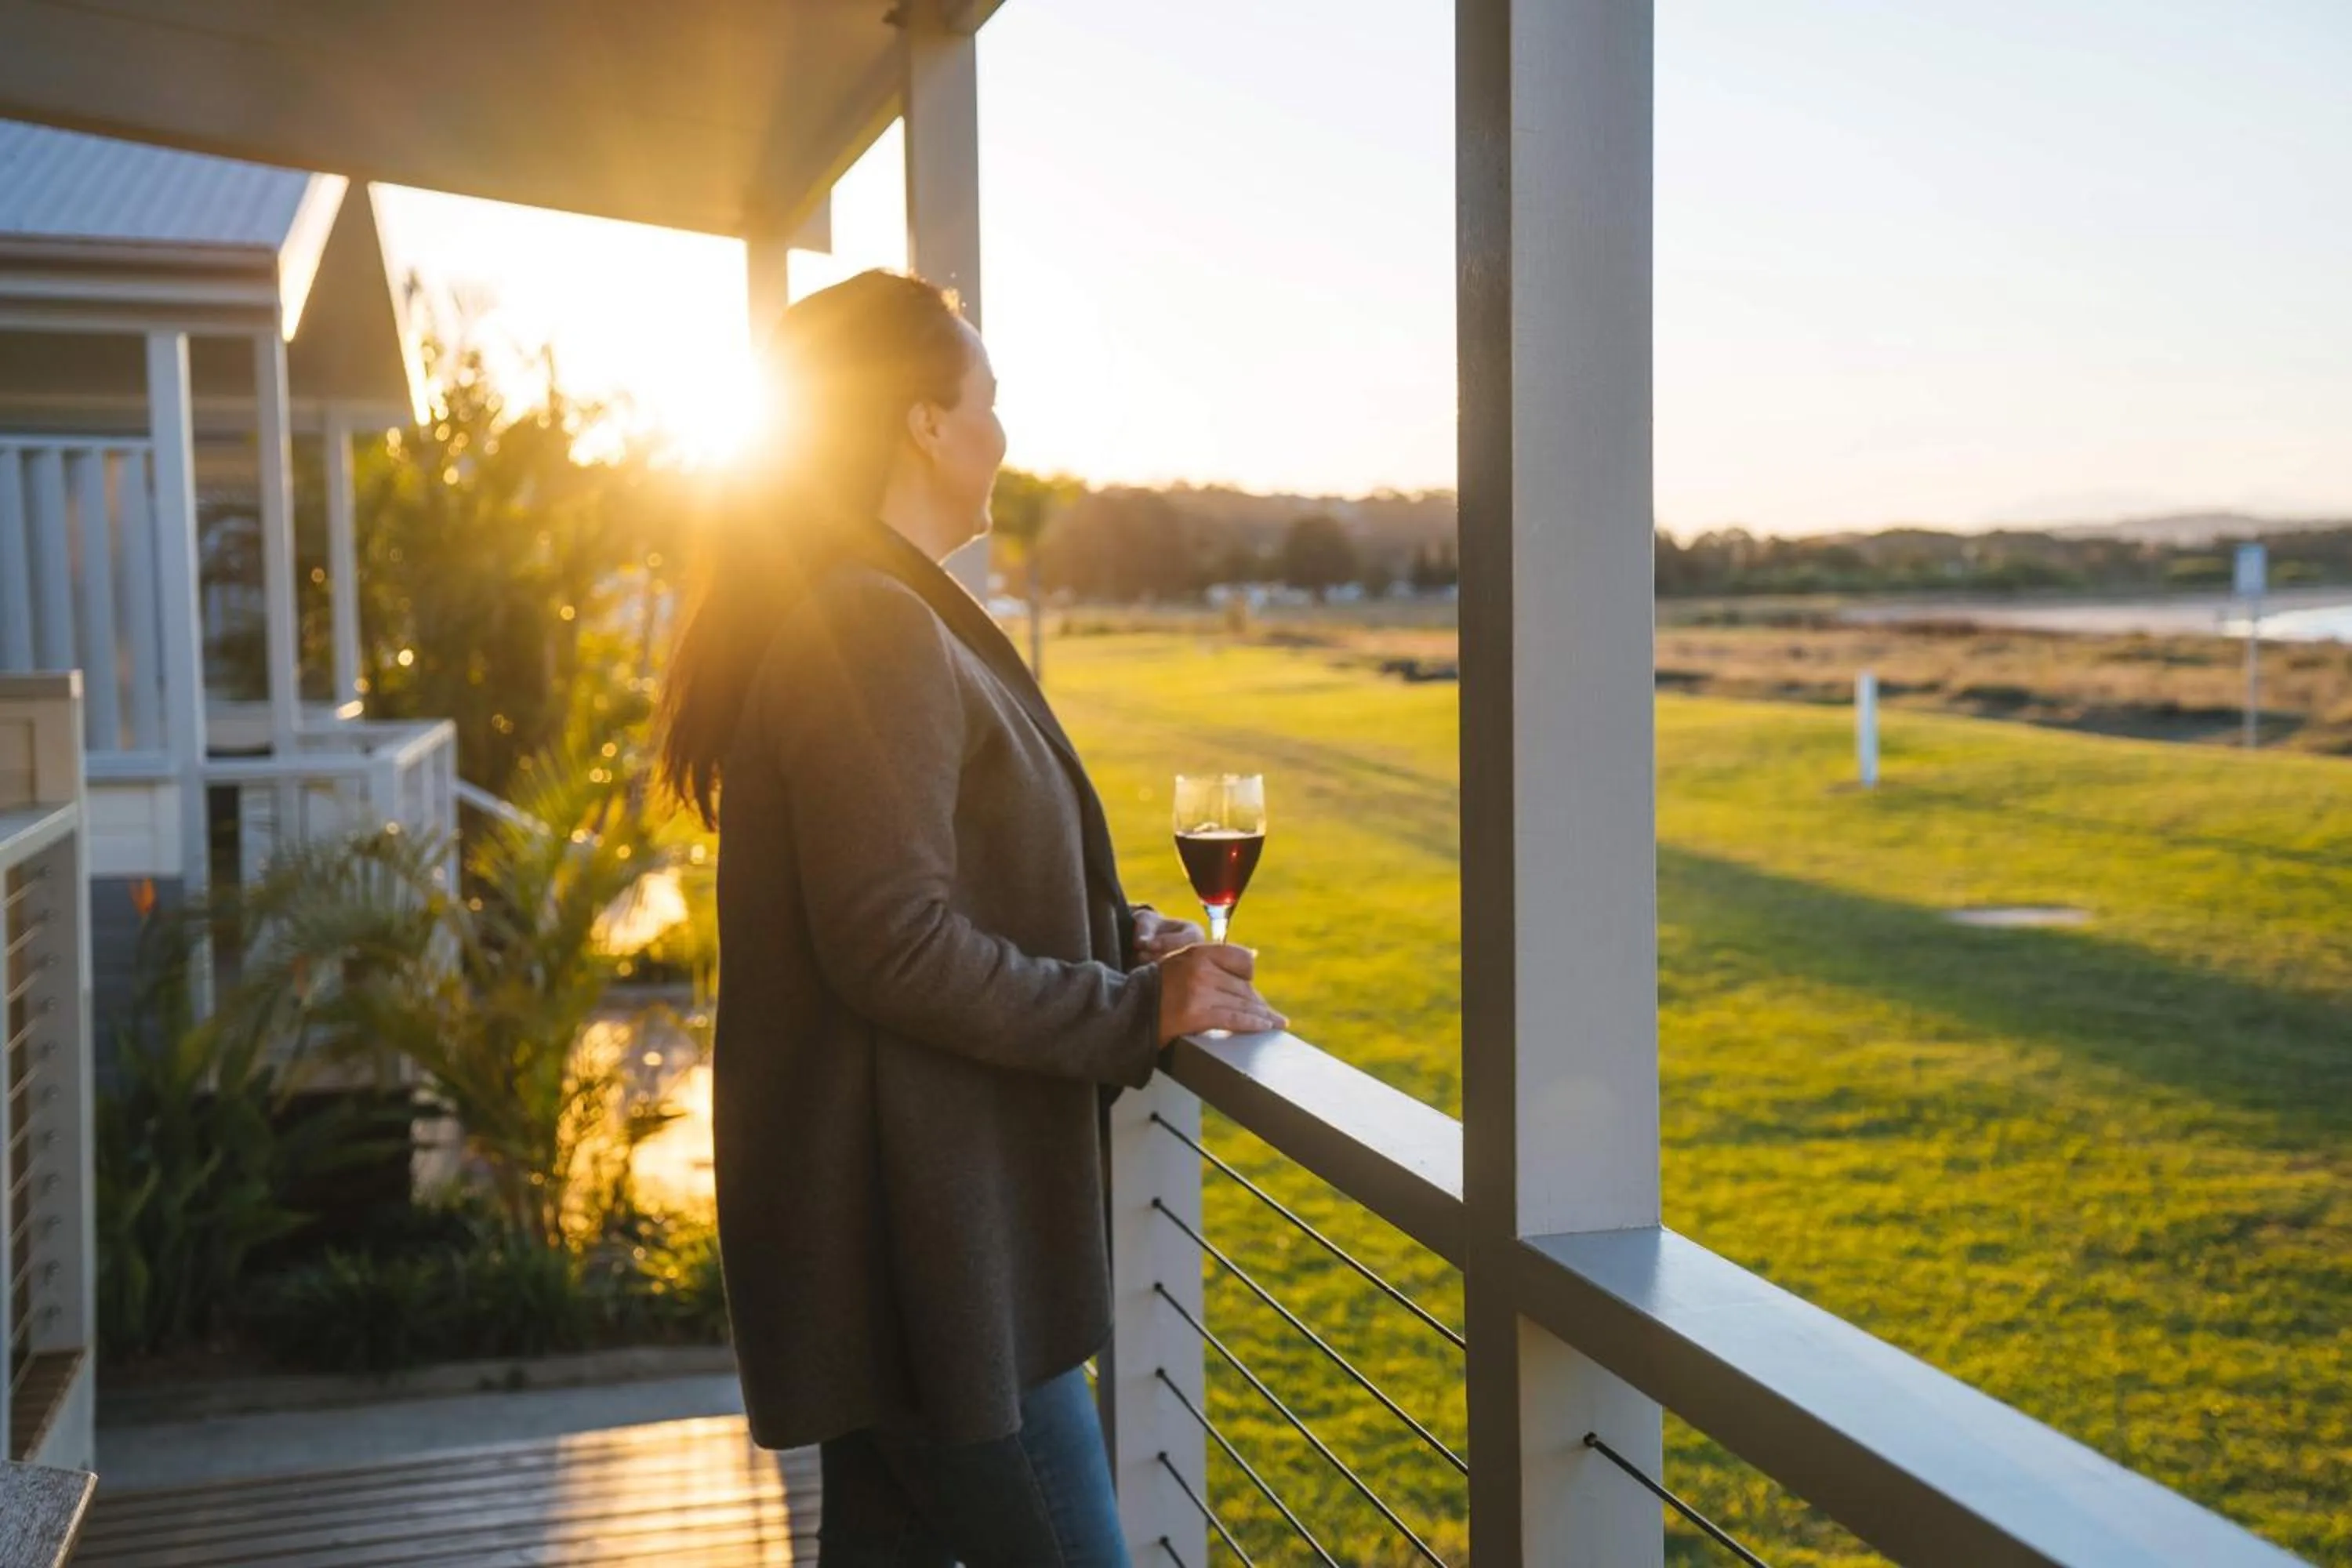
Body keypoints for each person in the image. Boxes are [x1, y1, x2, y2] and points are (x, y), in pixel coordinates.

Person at [657, 269, 1286, 1566]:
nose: (1004, 433)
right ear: (922, 423)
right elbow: (890, 940)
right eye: (988, 401)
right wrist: (1132, 1010)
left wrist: (1123, 938)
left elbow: (924, 882)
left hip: (901, 1243)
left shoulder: (870, 607)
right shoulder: (870, 623)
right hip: (935, 1264)